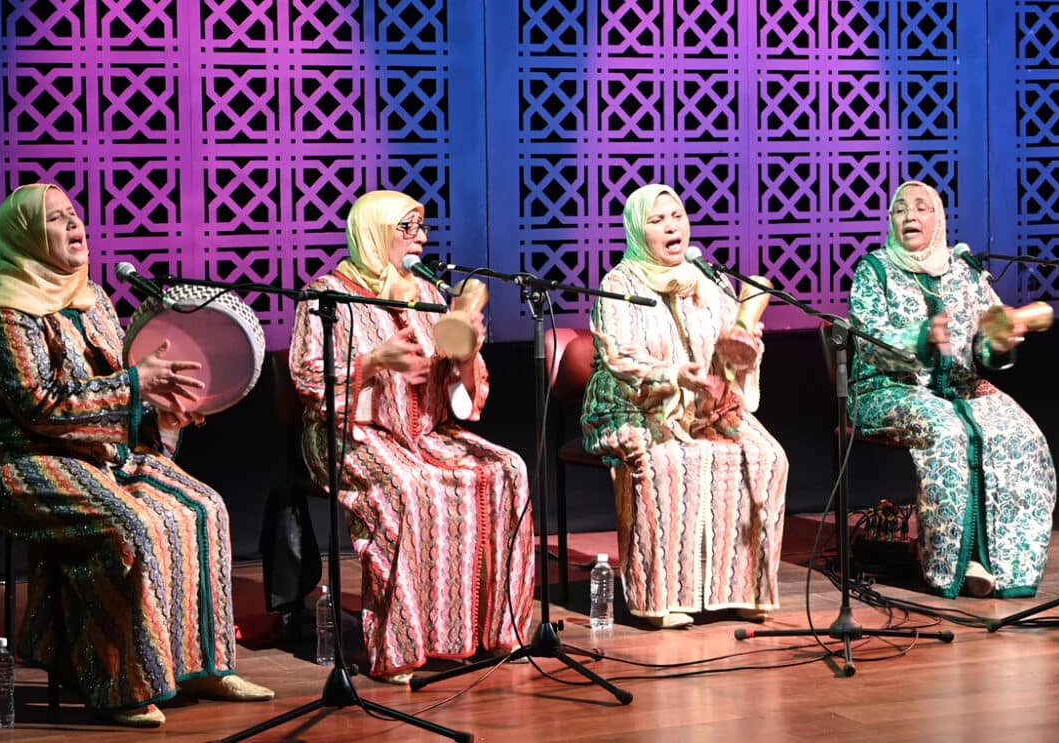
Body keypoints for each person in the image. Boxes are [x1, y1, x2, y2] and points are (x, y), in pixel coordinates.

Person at [0, 183, 271, 727]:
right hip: (9, 458)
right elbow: (41, 407)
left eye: (73, 214)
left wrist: (162, 410)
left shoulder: (91, 297)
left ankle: (202, 665)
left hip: (92, 448)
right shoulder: (3, 312)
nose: (73, 224)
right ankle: (124, 684)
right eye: (55, 219)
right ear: (25, 236)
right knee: (129, 524)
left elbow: (117, 377)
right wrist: (135, 386)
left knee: (204, 507)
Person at [289, 190, 533, 682]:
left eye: (421, 227)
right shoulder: (327, 294)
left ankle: (493, 631)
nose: (420, 237)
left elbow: (458, 390)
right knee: (408, 486)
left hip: (424, 430)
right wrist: (373, 361)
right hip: (352, 433)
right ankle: (401, 644)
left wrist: (467, 351)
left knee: (507, 469)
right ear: (374, 232)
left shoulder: (425, 293)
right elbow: (307, 377)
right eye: (407, 227)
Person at [582, 184, 789, 627]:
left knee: (766, 456)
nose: (671, 226)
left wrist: (741, 351)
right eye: (656, 220)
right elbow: (620, 356)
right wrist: (674, 374)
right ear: (637, 230)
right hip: (634, 405)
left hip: (706, 404)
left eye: (676, 216)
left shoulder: (709, 279)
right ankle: (660, 599)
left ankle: (742, 590)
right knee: (667, 460)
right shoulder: (619, 283)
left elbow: (733, 349)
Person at [847, 180, 1056, 597]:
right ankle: (954, 562)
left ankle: (1009, 564)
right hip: (886, 389)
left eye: (921, 208)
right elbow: (868, 341)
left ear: (938, 220)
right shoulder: (874, 270)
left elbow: (987, 342)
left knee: (1020, 432)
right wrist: (920, 337)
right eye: (900, 209)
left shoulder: (966, 272)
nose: (910, 216)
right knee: (947, 431)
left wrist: (999, 343)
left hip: (961, 389)